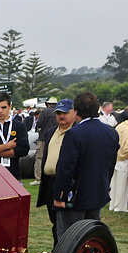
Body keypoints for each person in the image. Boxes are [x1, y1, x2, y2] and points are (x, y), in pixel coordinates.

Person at [52, 92, 118, 241]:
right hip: (97, 193)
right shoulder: (110, 132)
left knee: (70, 240)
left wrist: (60, 196)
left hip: (75, 197)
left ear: (76, 111)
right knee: (91, 237)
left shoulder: (74, 134)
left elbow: (66, 167)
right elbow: (110, 164)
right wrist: (106, 187)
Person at [36, 99, 79, 244]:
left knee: (67, 223)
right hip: (50, 182)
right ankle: (57, 252)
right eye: (58, 113)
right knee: (55, 221)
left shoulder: (77, 133)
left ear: (74, 113)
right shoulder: (50, 133)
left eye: (65, 113)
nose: (61, 116)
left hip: (68, 184)